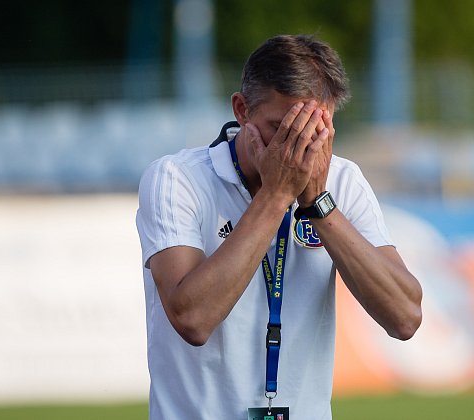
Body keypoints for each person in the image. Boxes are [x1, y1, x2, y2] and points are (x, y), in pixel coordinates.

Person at [136, 34, 422, 420]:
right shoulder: (176, 179)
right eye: (282, 128)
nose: (299, 146)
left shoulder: (343, 181)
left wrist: (320, 206)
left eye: (314, 129)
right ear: (242, 110)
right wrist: (275, 196)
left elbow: (405, 317)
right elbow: (193, 318)